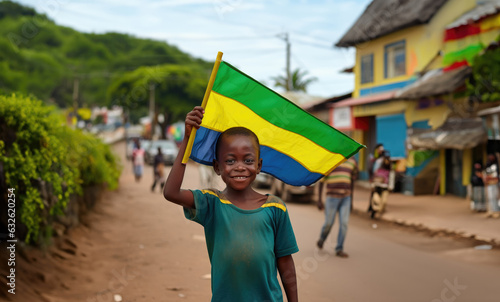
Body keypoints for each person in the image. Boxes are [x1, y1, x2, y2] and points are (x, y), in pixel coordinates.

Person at [163, 106, 299, 302]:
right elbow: (171, 192)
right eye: (230, 160)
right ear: (217, 167)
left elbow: (286, 264)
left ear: (259, 166)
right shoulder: (212, 203)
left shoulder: (275, 208)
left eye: (248, 160)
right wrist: (187, 139)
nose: (240, 167)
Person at [316, 157, 357, 258]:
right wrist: (319, 200)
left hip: (346, 198)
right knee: (329, 223)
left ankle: (339, 248)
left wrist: (351, 200)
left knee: (344, 224)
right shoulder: (331, 160)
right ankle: (322, 238)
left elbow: (352, 181)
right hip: (332, 198)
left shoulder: (352, 161)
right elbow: (321, 181)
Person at [369, 151, 392, 219]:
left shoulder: (389, 170)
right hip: (377, 187)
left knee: (384, 202)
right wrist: (373, 185)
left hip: (385, 187)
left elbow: (391, 178)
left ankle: (379, 212)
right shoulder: (378, 166)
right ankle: (374, 212)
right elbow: (374, 176)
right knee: (376, 200)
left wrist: (390, 187)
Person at [484, 154, 500, 218]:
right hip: (489, 184)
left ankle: (496, 211)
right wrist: (486, 178)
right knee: (490, 198)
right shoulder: (487, 165)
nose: (490, 158)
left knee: (495, 197)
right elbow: (486, 174)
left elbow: (496, 176)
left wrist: (490, 177)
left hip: (495, 184)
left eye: (492, 157)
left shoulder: (496, 166)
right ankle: (491, 211)